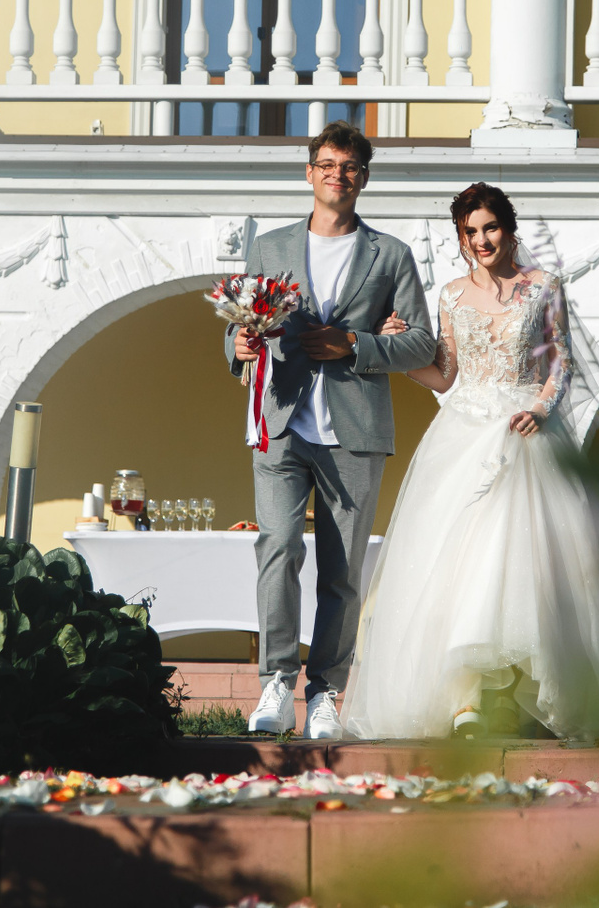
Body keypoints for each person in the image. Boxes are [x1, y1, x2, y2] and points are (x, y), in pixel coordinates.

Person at [342, 182, 599, 740]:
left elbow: (562, 362)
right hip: (463, 437)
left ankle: (538, 696)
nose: (481, 240)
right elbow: (445, 375)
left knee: (531, 569)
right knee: (456, 567)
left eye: (490, 227)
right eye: (470, 232)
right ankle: (463, 702)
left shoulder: (544, 286)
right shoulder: (450, 295)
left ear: (508, 229)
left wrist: (541, 408)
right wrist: (395, 351)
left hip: (526, 432)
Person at [226, 122, 436, 739]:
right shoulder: (270, 247)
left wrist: (354, 344)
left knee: (341, 571)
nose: (336, 175)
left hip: (356, 430)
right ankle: (275, 682)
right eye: (326, 164)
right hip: (280, 421)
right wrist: (237, 345)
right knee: (278, 547)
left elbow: (421, 344)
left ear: (363, 178)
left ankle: (325, 692)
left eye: (348, 167)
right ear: (309, 173)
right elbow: (241, 323)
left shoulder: (390, 255)